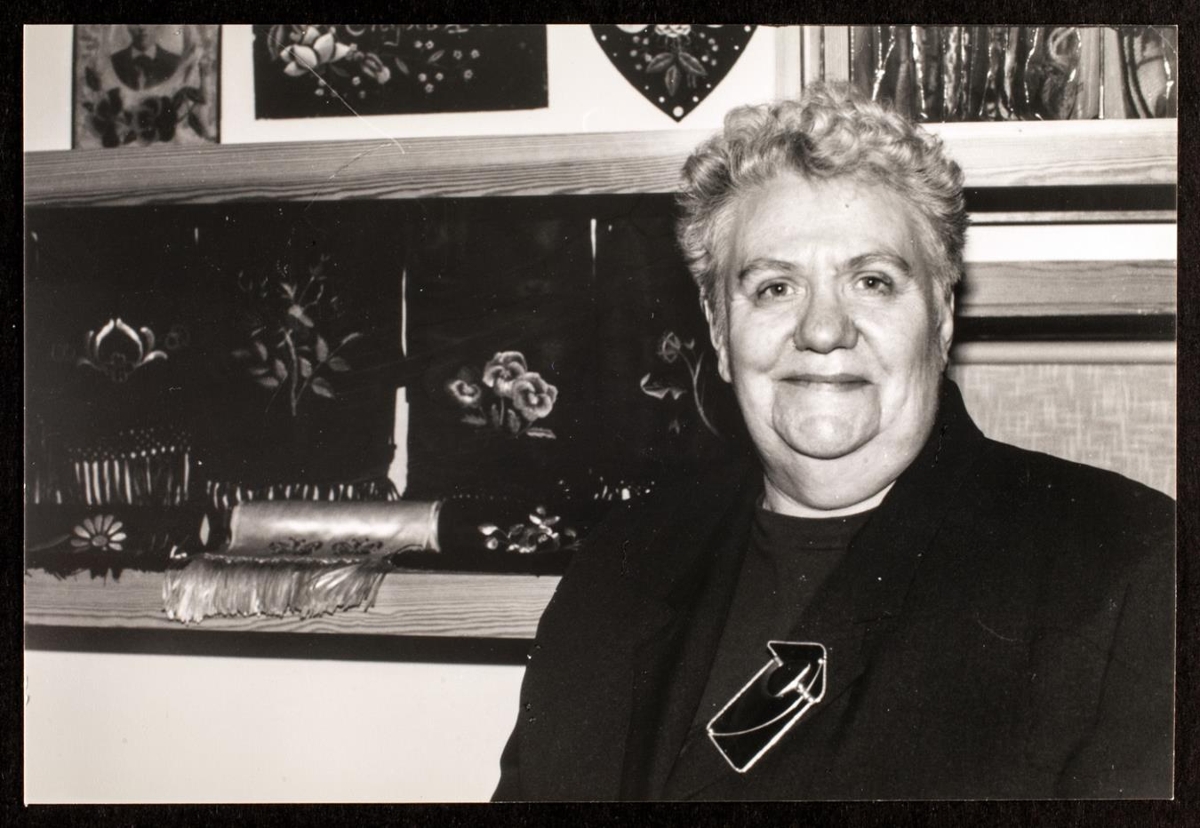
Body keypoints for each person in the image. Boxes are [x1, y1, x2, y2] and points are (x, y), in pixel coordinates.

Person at [493, 83, 1175, 801]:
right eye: (774, 288)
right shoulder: (620, 562)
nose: (823, 330)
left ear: (942, 316)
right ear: (719, 330)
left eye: (872, 281)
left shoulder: (1128, 566)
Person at [110, 25, 181, 91]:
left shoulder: (175, 63)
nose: (142, 27)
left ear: (157, 26)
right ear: (128, 26)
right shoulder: (113, 62)